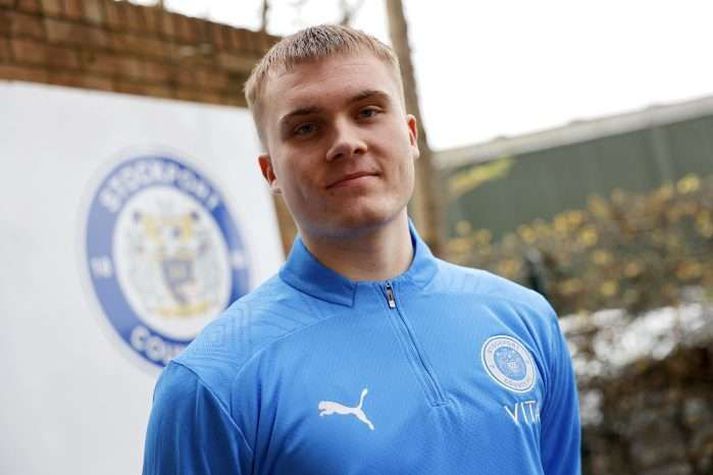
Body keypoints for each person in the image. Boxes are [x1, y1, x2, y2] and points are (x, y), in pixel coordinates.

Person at [142, 24, 581, 475]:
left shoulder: (525, 319)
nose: (346, 142)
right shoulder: (214, 383)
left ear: (410, 135)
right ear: (270, 171)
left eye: (368, 111)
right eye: (307, 127)